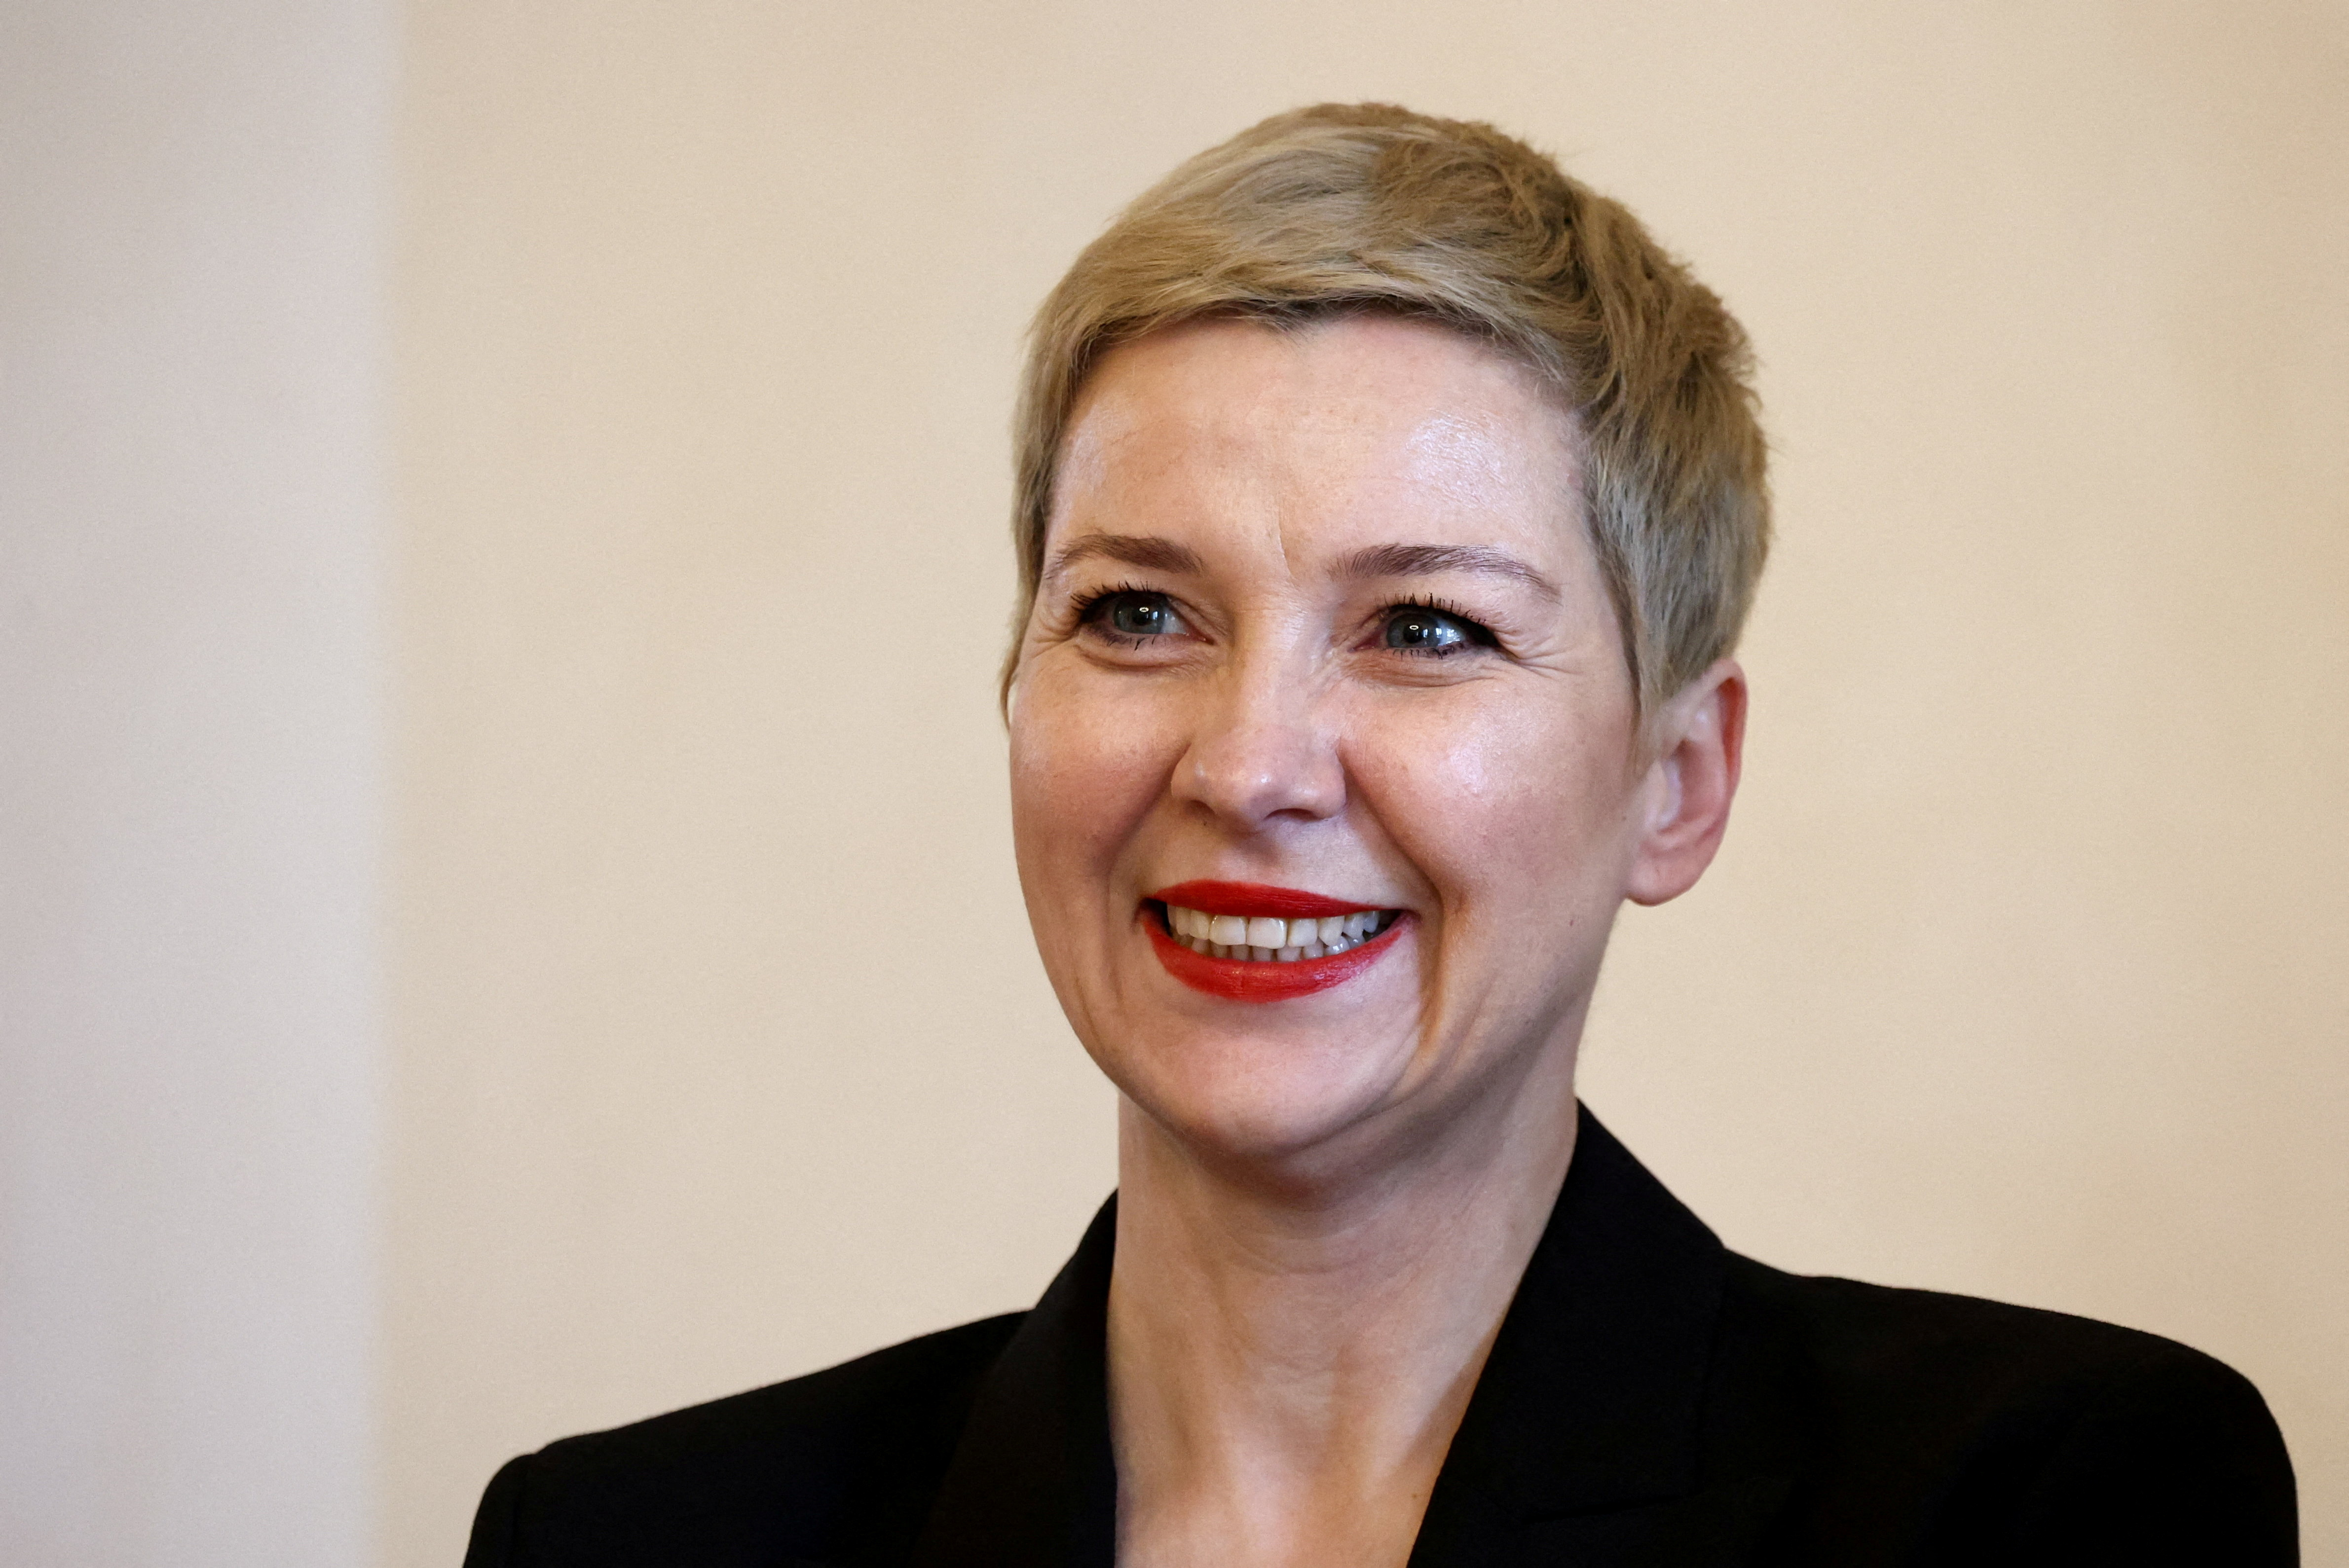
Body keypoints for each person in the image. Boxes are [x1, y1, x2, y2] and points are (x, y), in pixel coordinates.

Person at [461, 103, 2296, 1567]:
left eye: (1425, 627)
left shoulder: (2044, 1499)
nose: (1251, 763)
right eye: (1134, 611)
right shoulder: (621, 1537)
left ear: (1677, 780)